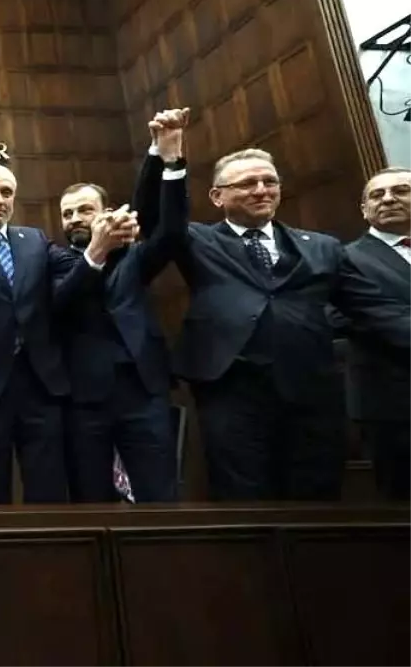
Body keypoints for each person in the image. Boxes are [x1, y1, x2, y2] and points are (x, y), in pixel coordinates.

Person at [138, 145, 411, 500]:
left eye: (269, 182)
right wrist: (167, 159)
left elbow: (375, 309)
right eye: (247, 184)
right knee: (243, 496)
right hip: (232, 388)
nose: (261, 190)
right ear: (217, 197)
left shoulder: (322, 247)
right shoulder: (197, 240)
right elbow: (154, 218)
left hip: (310, 389)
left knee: (316, 492)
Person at [0, 164, 137, 504]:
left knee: (48, 490)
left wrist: (107, 244)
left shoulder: (34, 240)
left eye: (6, 193)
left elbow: (76, 269)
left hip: (40, 385)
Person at [57, 109, 190, 502]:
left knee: (158, 495)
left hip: (143, 390)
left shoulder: (135, 257)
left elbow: (168, 230)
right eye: (67, 214)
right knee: (92, 499)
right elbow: (60, 302)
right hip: (84, 398)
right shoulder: (53, 260)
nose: (75, 219)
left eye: (85, 210)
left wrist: (168, 159)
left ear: (106, 213)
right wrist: (96, 252)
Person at [335, 166, 411, 500]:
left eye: (401, 190)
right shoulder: (343, 258)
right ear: (364, 209)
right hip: (394, 402)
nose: (388, 199)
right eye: (377, 195)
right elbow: (337, 315)